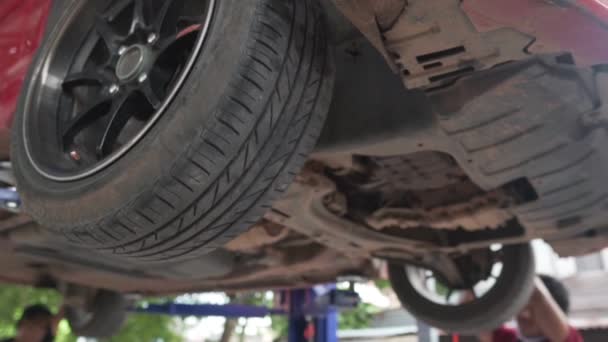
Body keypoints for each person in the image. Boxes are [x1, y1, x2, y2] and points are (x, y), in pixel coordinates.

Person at [478, 275, 583, 342]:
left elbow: (535, 293)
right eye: (520, 306)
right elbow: (473, 313)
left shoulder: (569, 339)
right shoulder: (507, 338)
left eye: (532, 310)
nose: (524, 315)